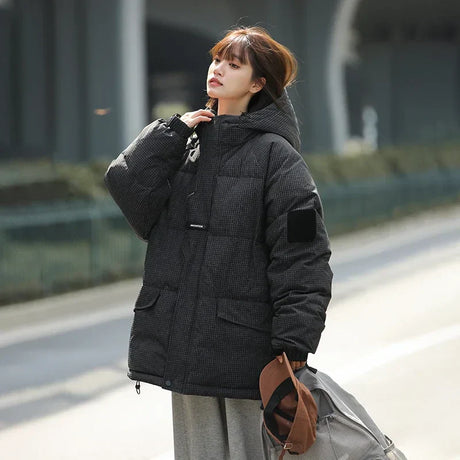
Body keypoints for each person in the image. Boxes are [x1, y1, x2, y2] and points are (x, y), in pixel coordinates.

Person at [104, 25, 333, 460]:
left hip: (248, 356)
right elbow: (127, 187)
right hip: (185, 346)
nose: (218, 69)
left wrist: (293, 346)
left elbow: (304, 256)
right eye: (216, 60)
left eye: (233, 64)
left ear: (258, 83)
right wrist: (168, 134)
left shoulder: (278, 158)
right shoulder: (186, 144)